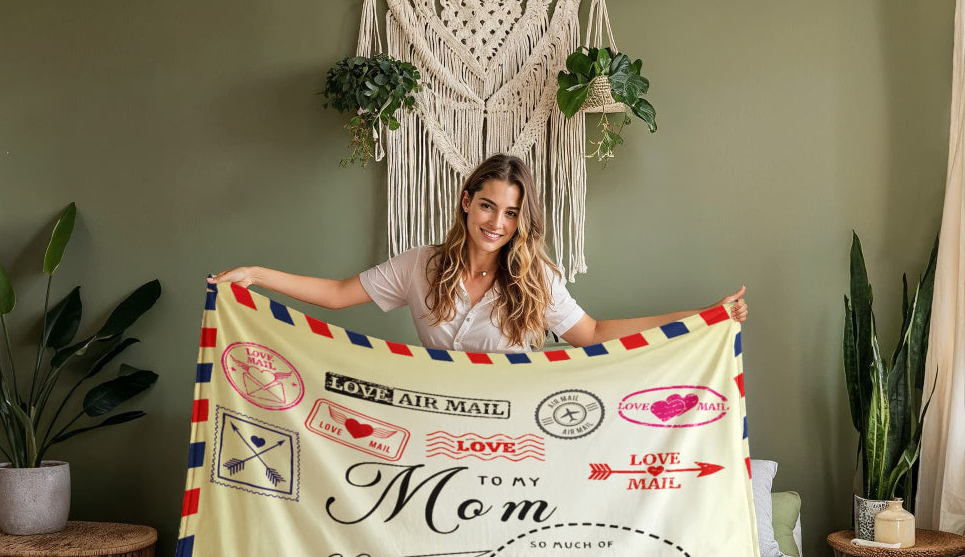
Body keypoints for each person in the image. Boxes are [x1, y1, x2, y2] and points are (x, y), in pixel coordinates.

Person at [210, 153, 747, 354]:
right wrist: (257, 273)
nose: (497, 223)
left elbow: (596, 333)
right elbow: (335, 294)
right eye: (488, 207)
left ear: (521, 220)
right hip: (437, 422)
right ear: (467, 203)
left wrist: (702, 318)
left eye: (511, 213)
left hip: (515, 428)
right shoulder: (420, 265)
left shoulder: (536, 278)